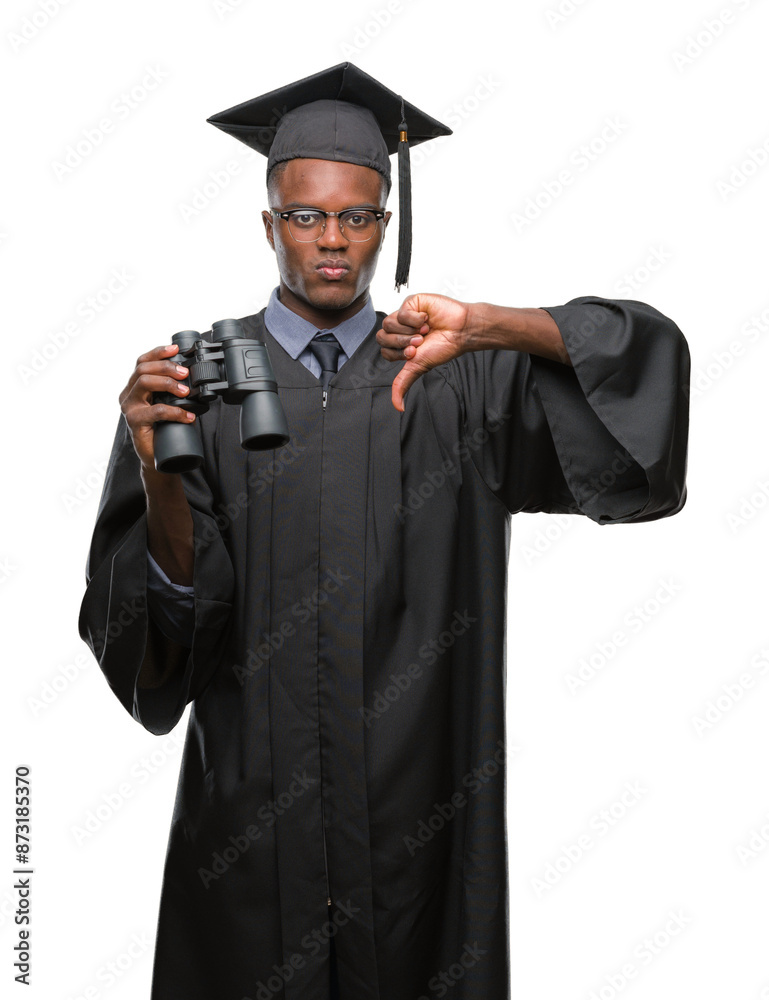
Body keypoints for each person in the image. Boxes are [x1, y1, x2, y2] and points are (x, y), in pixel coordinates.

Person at [78, 62, 690, 1000]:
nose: (332, 241)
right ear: (269, 222)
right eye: (306, 215)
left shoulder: (456, 379)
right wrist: (161, 466)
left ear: (386, 224)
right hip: (247, 848)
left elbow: (643, 397)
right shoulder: (192, 385)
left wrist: (492, 326)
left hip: (420, 848)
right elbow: (158, 654)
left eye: (358, 217)